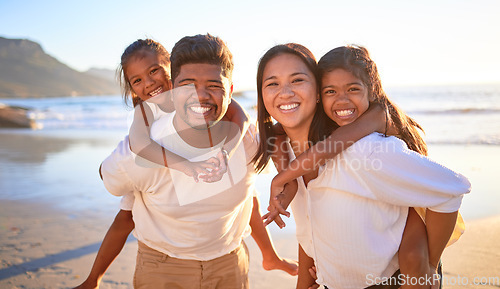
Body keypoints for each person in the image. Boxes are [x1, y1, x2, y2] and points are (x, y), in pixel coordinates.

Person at [74, 36, 297, 289]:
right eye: (138, 81)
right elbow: (118, 167)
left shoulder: (243, 132)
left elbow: (247, 118)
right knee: (129, 211)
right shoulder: (143, 127)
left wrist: (229, 152)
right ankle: (93, 279)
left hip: (230, 262)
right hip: (163, 267)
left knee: (248, 194)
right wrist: (183, 165)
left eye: (155, 72)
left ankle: (270, 256)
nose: (150, 84)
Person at [254, 44, 471, 289]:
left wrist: (429, 265)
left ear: (316, 90)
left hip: (392, 280)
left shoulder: (365, 149)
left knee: (414, 259)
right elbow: (309, 224)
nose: (285, 92)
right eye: (272, 83)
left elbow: (451, 189)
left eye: (297, 80)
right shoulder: (281, 143)